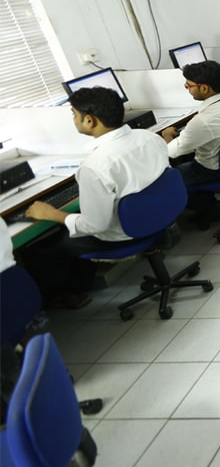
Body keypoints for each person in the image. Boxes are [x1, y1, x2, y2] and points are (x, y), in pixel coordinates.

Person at [21, 87, 169, 309]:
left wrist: (53, 214)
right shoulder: (149, 137)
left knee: (40, 250)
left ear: (89, 120)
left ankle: (67, 296)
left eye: (74, 114)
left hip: (126, 233)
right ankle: (77, 289)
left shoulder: (94, 166)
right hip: (160, 215)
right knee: (72, 226)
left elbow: (95, 225)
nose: (73, 119)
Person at [160, 60, 220, 219]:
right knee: (190, 156)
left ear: (204, 88)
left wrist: (166, 135)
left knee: (168, 179)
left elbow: (172, 152)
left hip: (214, 171)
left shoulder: (202, 122)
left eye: (188, 86)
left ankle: (210, 206)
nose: (188, 89)